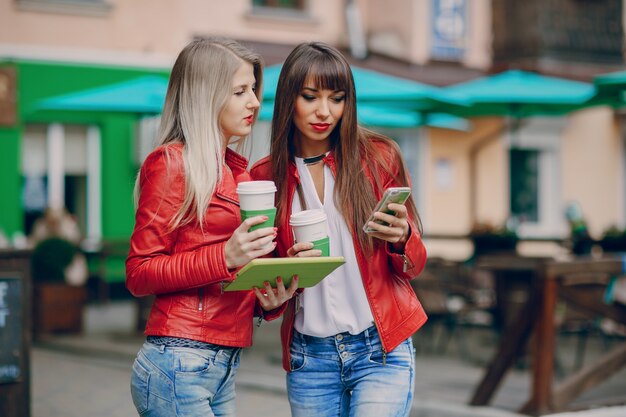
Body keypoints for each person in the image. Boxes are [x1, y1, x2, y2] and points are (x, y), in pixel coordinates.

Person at [251, 41, 428, 417]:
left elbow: (415, 264)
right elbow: (260, 273)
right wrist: (268, 301)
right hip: (309, 357)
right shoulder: (264, 178)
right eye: (310, 97)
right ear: (288, 100)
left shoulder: (379, 157)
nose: (324, 112)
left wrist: (403, 238)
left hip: (381, 346)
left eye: (337, 98)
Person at [125, 37, 297, 417]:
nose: (254, 101)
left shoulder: (237, 173)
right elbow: (139, 273)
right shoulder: (171, 164)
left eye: (253, 89)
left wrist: (268, 301)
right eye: (240, 91)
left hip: (219, 365)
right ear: (206, 96)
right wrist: (225, 255)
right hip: (179, 361)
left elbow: (225, 282)